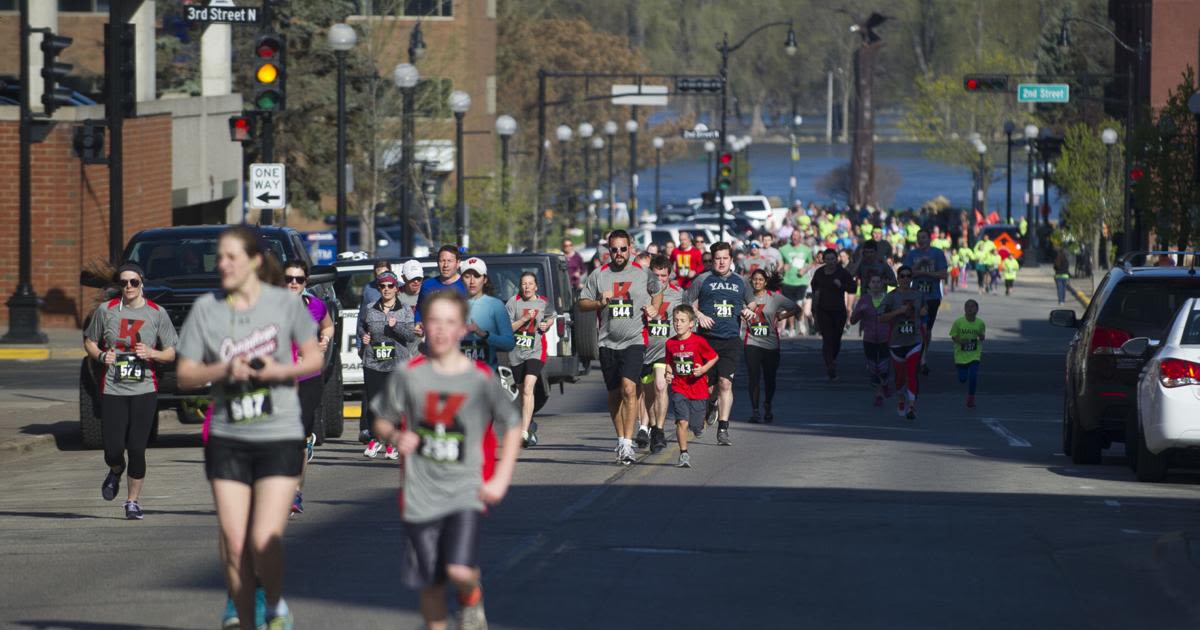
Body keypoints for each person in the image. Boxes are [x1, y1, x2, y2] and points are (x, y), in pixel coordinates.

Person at [176, 226, 322, 630]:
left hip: (277, 434)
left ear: (255, 261)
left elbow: (314, 360)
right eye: (219, 257)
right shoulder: (207, 309)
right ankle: (243, 618)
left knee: (263, 540)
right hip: (229, 436)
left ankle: (274, 605)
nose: (222, 265)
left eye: (231, 257)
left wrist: (279, 370)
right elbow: (185, 374)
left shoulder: (285, 306)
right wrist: (224, 368)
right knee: (236, 543)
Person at [370, 291, 522, 630]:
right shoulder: (408, 374)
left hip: (464, 490)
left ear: (462, 329)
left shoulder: (479, 377)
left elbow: (513, 425)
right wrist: (394, 436)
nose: (440, 330)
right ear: (423, 327)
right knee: (432, 582)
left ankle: (471, 596)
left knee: (458, 569)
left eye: (449, 323)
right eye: (434, 322)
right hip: (418, 493)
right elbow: (379, 419)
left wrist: (500, 479)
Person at [82, 262, 178, 520]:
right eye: (124, 283)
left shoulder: (157, 313)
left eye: (133, 282)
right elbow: (90, 341)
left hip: (145, 388)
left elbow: (171, 351)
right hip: (114, 388)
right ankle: (115, 469)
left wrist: (152, 353)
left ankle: (132, 501)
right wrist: (102, 356)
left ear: (142, 283)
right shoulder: (106, 311)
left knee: (137, 447)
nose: (129, 287)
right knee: (113, 449)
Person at [579, 230, 662, 465]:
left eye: (622, 249)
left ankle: (628, 444)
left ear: (630, 248)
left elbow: (658, 291)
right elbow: (582, 304)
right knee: (615, 394)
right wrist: (598, 302)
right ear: (608, 249)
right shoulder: (599, 275)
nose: (618, 253)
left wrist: (654, 308)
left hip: (634, 340)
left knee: (629, 389)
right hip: (607, 342)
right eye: (614, 249)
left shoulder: (642, 273)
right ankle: (620, 438)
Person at [686, 242, 755, 446]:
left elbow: (751, 301)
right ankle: (711, 404)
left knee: (725, 383)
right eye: (717, 258)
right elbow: (686, 300)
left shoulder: (741, 282)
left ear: (731, 260)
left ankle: (723, 429)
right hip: (707, 340)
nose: (721, 262)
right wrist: (698, 315)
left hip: (731, 339)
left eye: (725, 258)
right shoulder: (703, 279)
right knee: (708, 388)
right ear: (712, 260)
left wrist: (749, 310)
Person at [282, 260, 335, 515]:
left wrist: (323, 341)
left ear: (306, 282)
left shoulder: (315, 305)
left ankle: (295, 493)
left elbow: (328, 326)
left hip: (308, 378)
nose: (293, 283)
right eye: (289, 278)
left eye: (299, 279)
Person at [361, 271, 418, 460]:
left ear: (396, 288)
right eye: (383, 286)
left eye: (390, 286)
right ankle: (376, 438)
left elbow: (411, 336)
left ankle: (392, 442)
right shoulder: (370, 308)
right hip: (373, 361)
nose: (386, 289)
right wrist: (363, 337)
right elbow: (361, 328)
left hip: (397, 363)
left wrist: (396, 326)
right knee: (374, 403)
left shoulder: (405, 310)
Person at [664, 305, 718, 468]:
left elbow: (714, 357)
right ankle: (684, 454)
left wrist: (703, 369)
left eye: (682, 321)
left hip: (698, 388)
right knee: (682, 422)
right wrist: (668, 373)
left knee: (696, 426)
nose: (678, 324)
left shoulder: (699, 341)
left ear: (691, 324)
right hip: (679, 387)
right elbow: (669, 363)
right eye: (675, 321)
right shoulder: (670, 343)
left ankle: (703, 419)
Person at [742, 269, 800, 423]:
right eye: (755, 279)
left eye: (761, 280)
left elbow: (796, 308)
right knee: (754, 377)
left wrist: (781, 316)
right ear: (751, 281)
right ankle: (755, 411)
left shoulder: (775, 298)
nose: (757, 282)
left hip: (771, 344)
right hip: (752, 342)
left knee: (770, 378)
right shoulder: (745, 298)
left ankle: (767, 404)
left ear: (766, 282)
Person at [640, 255, 684, 453]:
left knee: (660, 386)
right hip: (642, 348)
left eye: (663, 275)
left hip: (664, 350)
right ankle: (650, 425)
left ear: (669, 275)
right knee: (648, 394)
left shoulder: (678, 293)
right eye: (656, 275)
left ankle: (658, 430)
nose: (659, 279)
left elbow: (688, 313)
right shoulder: (641, 292)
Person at [506, 272, 555, 447]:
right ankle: (530, 423)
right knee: (522, 392)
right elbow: (508, 328)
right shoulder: (513, 302)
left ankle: (523, 431)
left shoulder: (543, 302)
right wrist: (525, 319)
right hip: (516, 353)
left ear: (536, 286)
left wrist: (547, 324)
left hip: (536, 351)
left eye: (530, 284)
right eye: (524, 284)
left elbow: (551, 317)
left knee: (528, 387)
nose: (527, 287)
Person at [880, 265, 927, 420]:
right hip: (896, 342)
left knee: (912, 373)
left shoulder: (919, 295)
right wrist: (898, 312)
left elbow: (925, 309)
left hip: (915, 340)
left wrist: (924, 311)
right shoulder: (891, 296)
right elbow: (881, 317)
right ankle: (901, 399)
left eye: (908, 276)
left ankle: (912, 407)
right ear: (898, 279)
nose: (906, 279)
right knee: (900, 376)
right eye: (902, 276)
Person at [903, 230, 948, 376]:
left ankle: (923, 357)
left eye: (924, 237)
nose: (921, 240)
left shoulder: (937, 253)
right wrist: (919, 266)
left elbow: (942, 274)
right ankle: (915, 356)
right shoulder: (912, 254)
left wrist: (925, 273)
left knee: (926, 330)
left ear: (929, 238)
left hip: (932, 296)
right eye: (918, 238)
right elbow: (906, 275)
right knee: (916, 327)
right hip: (915, 296)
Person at [808, 248, 857, 381]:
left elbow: (853, 288)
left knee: (836, 339)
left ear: (837, 260)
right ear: (824, 260)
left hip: (838, 310)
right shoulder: (819, 273)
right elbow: (814, 289)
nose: (830, 262)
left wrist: (841, 285)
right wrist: (814, 309)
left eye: (833, 259)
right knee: (827, 338)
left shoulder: (842, 272)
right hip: (823, 310)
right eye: (828, 259)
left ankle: (832, 359)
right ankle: (830, 364)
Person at [459, 257, 515, 368]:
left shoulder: (496, 305)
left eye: (477, 276)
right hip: (458, 377)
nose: (472, 281)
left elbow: (509, 343)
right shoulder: (453, 305)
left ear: (484, 279)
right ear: (461, 279)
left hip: (486, 377)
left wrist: (484, 334)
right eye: (467, 276)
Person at [849, 274, 892, 407]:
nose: (876, 284)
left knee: (883, 368)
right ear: (869, 285)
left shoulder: (888, 299)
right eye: (873, 282)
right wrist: (859, 312)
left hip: (886, 338)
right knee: (874, 369)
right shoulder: (864, 300)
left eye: (878, 282)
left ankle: (882, 388)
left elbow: (896, 317)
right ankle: (879, 393)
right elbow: (852, 320)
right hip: (869, 338)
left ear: (882, 284)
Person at [949, 299, 986, 408]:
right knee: (962, 379)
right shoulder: (958, 322)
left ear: (977, 309)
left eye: (972, 306)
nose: (970, 309)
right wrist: (960, 341)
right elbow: (953, 336)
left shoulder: (980, 323)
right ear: (964, 309)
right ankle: (962, 375)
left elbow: (982, 338)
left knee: (973, 376)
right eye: (968, 307)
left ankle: (971, 397)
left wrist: (980, 335)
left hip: (975, 354)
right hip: (961, 355)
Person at [416, 245, 467, 322]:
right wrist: (418, 323)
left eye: (449, 261)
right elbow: (419, 310)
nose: (445, 265)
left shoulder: (467, 286)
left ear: (458, 263)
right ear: (437, 262)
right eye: (442, 261)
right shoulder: (427, 285)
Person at [778, 229, 814, 337]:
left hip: (801, 282)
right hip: (787, 281)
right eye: (793, 235)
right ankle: (792, 329)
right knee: (789, 307)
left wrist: (805, 270)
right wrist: (782, 268)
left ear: (800, 237)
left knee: (798, 305)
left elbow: (811, 263)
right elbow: (779, 265)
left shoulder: (806, 250)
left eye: (797, 236)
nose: (794, 237)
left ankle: (801, 325)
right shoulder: (783, 249)